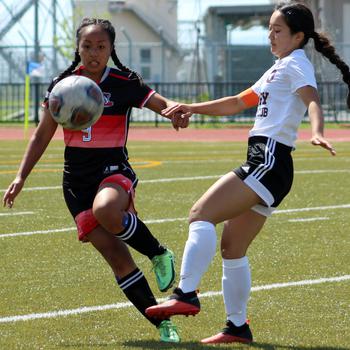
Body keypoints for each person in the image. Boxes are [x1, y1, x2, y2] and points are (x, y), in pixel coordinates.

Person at [145, 1, 350, 344]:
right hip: (271, 164)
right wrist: (190, 108)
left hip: (267, 159)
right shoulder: (279, 67)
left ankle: (186, 293)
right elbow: (238, 102)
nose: (270, 34)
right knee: (232, 247)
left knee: (200, 213)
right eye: (269, 28)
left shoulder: (296, 63)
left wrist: (317, 130)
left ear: (298, 37)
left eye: (278, 30)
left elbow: (312, 98)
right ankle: (237, 327)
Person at [3, 18, 188, 343]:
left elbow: (162, 104)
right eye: (87, 46)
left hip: (113, 169)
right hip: (76, 182)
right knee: (116, 257)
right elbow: (43, 133)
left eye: (100, 46)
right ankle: (162, 323)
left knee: (107, 210)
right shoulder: (62, 85)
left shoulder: (124, 82)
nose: (93, 53)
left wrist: (176, 111)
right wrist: (20, 176)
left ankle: (158, 253)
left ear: (111, 49)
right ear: (78, 48)